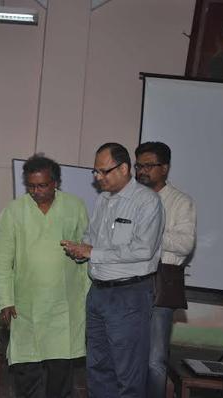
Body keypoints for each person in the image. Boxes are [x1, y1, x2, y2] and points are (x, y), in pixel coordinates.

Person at [62, 143, 164, 397]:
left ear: (124, 168)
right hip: (98, 294)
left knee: (128, 373)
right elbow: (92, 238)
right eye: (95, 171)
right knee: (97, 369)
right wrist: (80, 249)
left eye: (103, 171)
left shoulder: (147, 201)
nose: (98, 177)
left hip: (129, 295)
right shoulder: (103, 200)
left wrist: (92, 252)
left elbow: (143, 250)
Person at [0, 154, 90, 398]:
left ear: (55, 182)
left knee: (60, 375)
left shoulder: (75, 206)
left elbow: (88, 253)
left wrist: (88, 299)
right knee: (27, 372)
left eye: (42, 185)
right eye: (31, 186)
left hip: (64, 307)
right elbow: (3, 262)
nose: (36, 191)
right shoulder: (14, 211)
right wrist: (5, 300)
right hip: (26, 308)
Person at [135, 142, 196, 398]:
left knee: (154, 360)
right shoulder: (129, 198)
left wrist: (152, 234)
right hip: (128, 283)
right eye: (139, 165)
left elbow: (185, 243)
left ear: (165, 168)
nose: (142, 171)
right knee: (128, 358)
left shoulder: (181, 202)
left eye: (149, 166)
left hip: (160, 283)